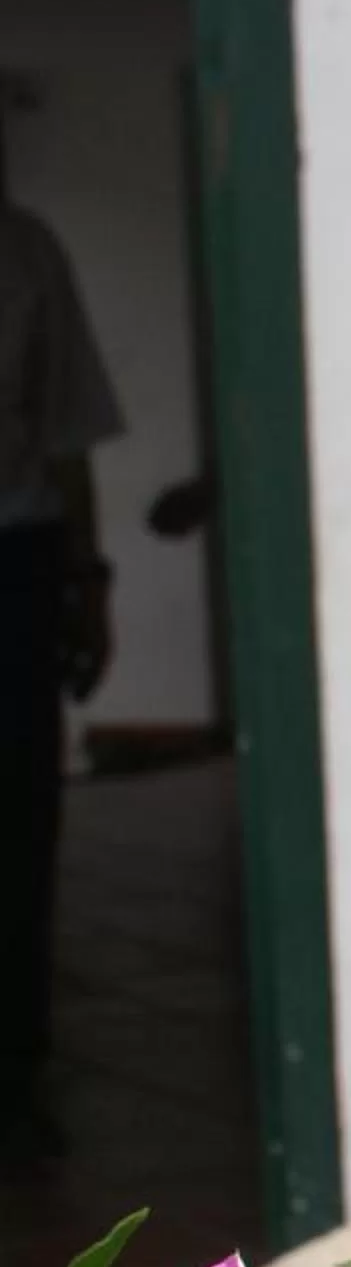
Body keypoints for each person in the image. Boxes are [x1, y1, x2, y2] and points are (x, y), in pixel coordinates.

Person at [0, 99, 125, 1161]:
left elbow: (73, 429)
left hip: (16, 554)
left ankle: (19, 1068)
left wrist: (91, 582)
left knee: (20, 815)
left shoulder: (26, 249)